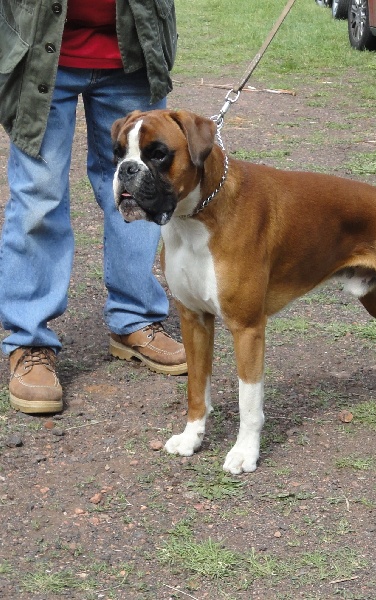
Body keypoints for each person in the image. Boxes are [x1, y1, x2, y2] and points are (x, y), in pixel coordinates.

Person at [0, 0, 186, 415]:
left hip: (134, 48)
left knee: (139, 189)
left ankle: (135, 319)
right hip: (37, 50)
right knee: (38, 195)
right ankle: (28, 340)